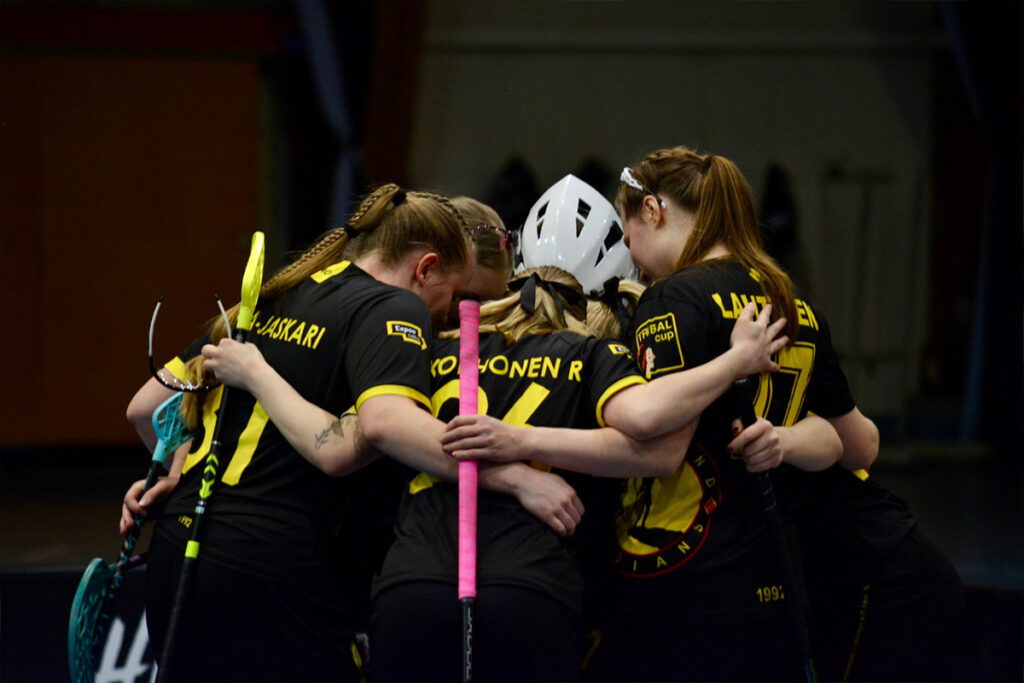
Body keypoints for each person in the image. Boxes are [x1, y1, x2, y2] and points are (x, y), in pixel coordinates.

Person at [120, 184, 577, 683]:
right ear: (425, 269)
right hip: (270, 569)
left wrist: (180, 469)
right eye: (451, 300)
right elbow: (383, 426)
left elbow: (146, 407)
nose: (449, 319)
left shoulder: (281, 291)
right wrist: (515, 476)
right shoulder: (392, 307)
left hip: (178, 551)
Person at [369, 264, 788, 682]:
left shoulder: (437, 348)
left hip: (411, 580)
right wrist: (733, 360)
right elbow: (650, 436)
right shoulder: (590, 353)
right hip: (530, 586)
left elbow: (382, 428)